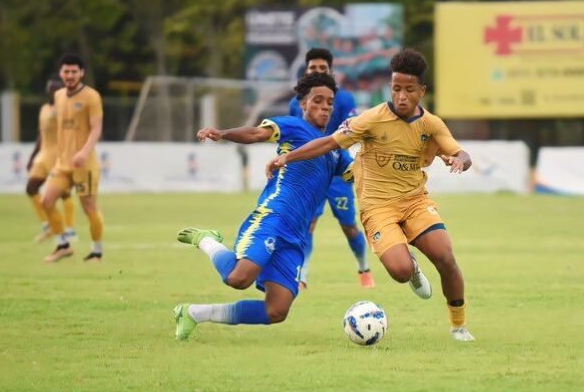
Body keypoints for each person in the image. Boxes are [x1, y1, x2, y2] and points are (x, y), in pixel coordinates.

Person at [266, 48, 477, 342]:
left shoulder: (431, 124)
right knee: (401, 271)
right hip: (378, 208)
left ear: (422, 91)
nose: (401, 96)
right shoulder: (371, 119)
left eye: (409, 90)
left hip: (415, 202)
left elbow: (461, 153)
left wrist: (460, 161)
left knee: (445, 256)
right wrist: (286, 158)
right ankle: (411, 267)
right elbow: (328, 143)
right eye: (396, 88)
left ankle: (459, 326)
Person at [173, 72, 352, 341]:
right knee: (238, 278)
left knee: (277, 310)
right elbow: (256, 133)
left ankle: (193, 313)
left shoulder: (336, 150)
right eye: (318, 100)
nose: (325, 106)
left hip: (296, 236)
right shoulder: (292, 126)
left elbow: (360, 174)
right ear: (303, 104)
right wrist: (222, 133)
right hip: (274, 216)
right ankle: (206, 240)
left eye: (330, 102)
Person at [288, 47, 374, 289]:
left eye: (322, 68)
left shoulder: (344, 99)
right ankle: (302, 276)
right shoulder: (295, 103)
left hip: (337, 173)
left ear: (331, 71)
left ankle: (364, 268)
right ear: (306, 71)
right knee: (308, 225)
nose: (317, 71)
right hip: (309, 173)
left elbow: (352, 129)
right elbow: (292, 136)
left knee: (349, 226)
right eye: (313, 68)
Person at [41, 55, 105, 263]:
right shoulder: (58, 96)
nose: (69, 75)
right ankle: (63, 245)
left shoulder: (91, 96)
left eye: (74, 71)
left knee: (89, 208)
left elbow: (96, 128)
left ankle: (97, 251)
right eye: (66, 71)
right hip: (62, 164)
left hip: (85, 164)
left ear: (81, 73)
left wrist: (84, 152)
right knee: (46, 201)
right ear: (61, 73)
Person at [26, 77, 76, 243]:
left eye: (57, 89)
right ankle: (49, 225)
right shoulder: (44, 109)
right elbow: (41, 134)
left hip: (59, 155)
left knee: (64, 193)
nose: (53, 92)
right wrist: (32, 156)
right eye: (51, 89)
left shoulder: (65, 108)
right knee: (31, 188)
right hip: (44, 155)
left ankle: (70, 230)